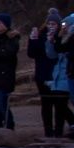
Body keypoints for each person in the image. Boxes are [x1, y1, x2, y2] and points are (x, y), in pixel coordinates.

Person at [29, 10, 70, 139]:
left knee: (60, 104)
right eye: (49, 23)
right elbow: (32, 54)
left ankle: (59, 131)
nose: (51, 26)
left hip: (57, 75)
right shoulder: (41, 36)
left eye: (54, 23)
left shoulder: (62, 37)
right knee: (46, 104)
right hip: (42, 73)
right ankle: (48, 131)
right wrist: (33, 40)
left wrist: (53, 41)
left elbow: (56, 55)